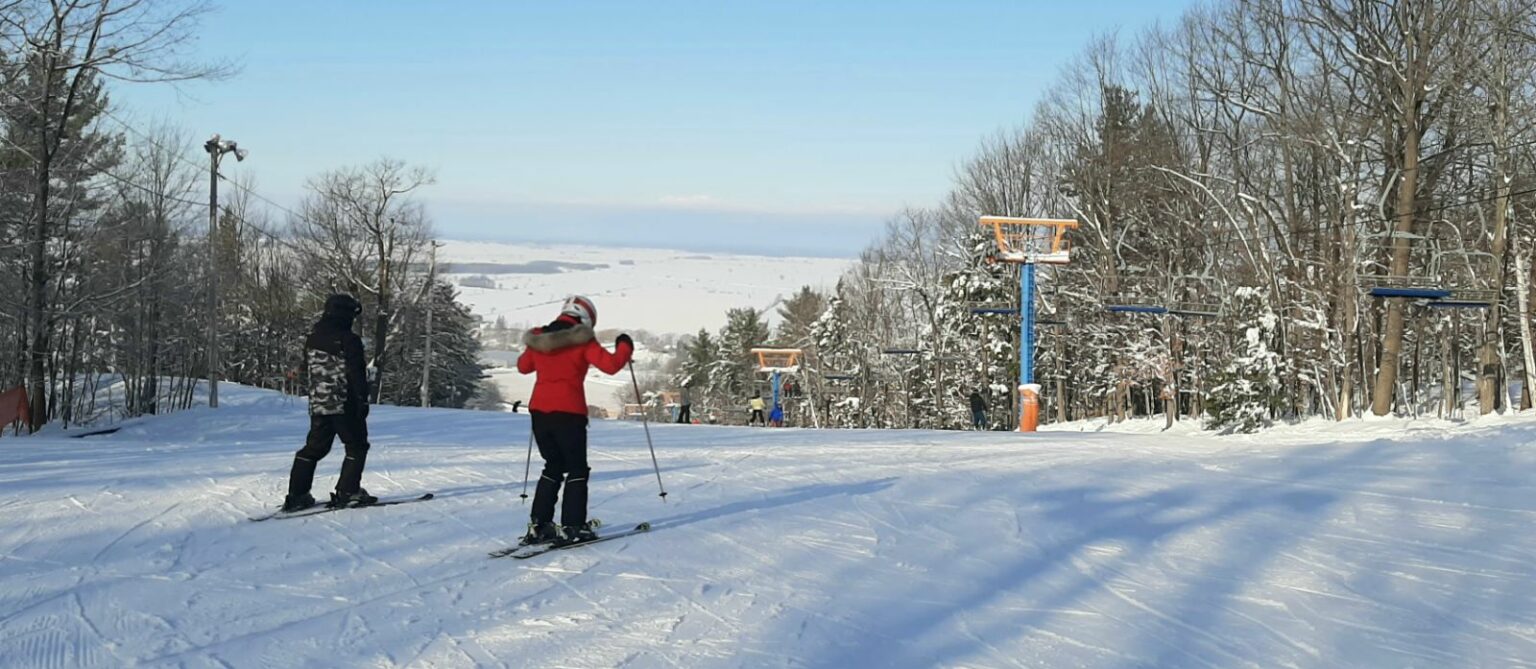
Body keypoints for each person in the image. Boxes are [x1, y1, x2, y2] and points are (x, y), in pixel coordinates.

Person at [516, 295, 634, 546]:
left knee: (553, 467)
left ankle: (540, 525)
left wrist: (536, 350)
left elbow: (523, 367)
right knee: (577, 469)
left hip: (539, 412)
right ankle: (573, 526)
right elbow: (611, 366)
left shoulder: (539, 338)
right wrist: (625, 346)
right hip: (569, 412)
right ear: (587, 318)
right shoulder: (582, 339)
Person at [283, 294, 377, 512]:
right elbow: (356, 373)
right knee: (356, 446)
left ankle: (297, 495)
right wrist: (363, 399)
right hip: (345, 403)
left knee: (313, 449)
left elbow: (307, 368)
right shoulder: (349, 339)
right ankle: (348, 492)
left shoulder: (312, 338)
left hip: (319, 403)